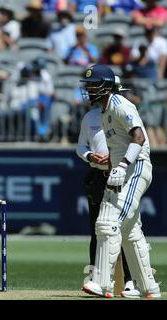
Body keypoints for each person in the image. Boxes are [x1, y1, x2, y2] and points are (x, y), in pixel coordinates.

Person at [80, 64, 161, 298]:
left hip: (136, 169)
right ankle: (149, 287)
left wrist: (123, 165)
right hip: (121, 170)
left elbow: (139, 137)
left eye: (93, 85)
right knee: (130, 232)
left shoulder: (120, 105)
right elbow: (118, 147)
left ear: (106, 87)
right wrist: (110, 165)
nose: (89, 89)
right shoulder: (104, 112)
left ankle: (102, 283)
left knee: (108, 222)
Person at [76, 84, 139, 297]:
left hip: (122, 175)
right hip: (98, 175)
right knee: (98, 229)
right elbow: (80, 147)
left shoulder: (124, 111)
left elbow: (137, 141)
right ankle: (98, 279)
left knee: (123, 230)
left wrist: (117, 162)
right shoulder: (90, 117)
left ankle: (131, 281)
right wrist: (89, 156)